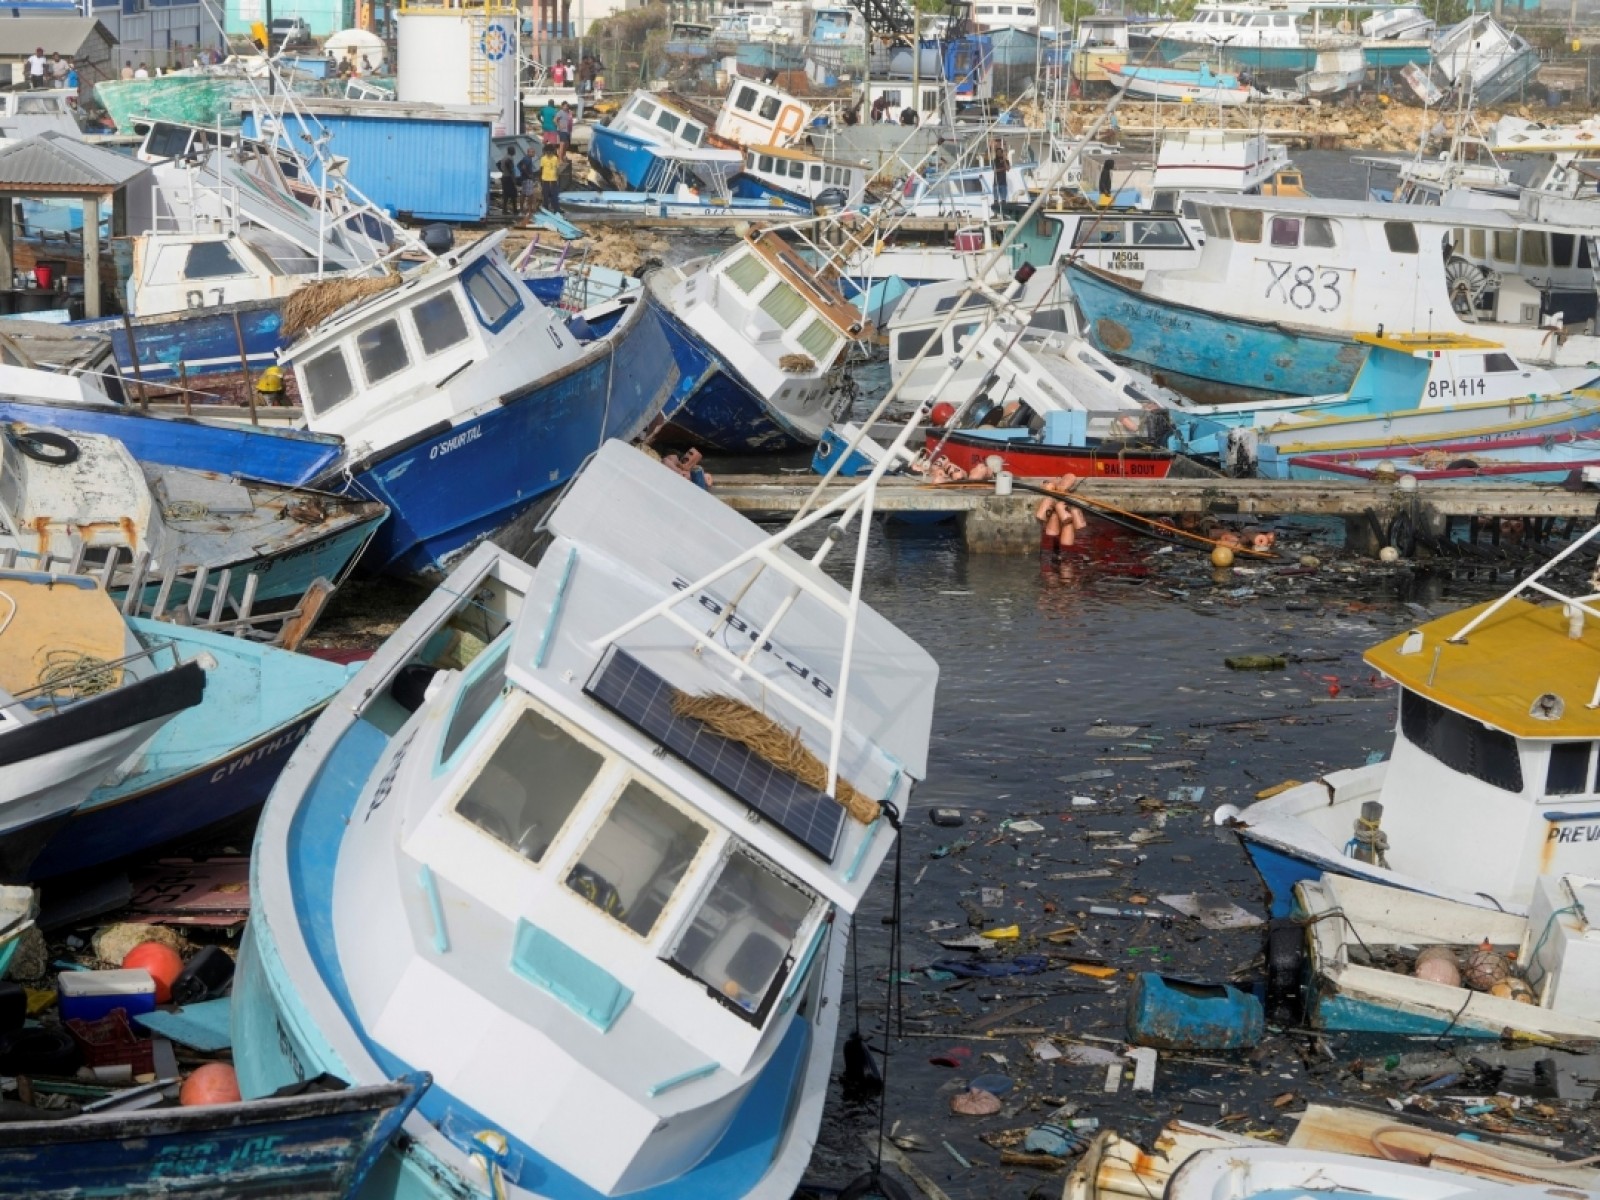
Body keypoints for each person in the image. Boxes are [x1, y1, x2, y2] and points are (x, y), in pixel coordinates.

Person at [539, 144, 561, 214]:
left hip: (553, 179)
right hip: (545, 179)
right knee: (545, 195)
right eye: (547, 152)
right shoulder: (543, 159)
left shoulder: (555, 158)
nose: (548, 153)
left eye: (550, 152)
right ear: (545, 152)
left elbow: (557, 169)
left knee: (554, 195)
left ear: (552, 152)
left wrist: (558, 178)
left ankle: (556, 209)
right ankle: (546, 209)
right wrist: (540, 179)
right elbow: (541, 169)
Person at [516, 147, 536, 218]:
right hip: (527, 179)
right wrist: (528, 175)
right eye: (532, 152)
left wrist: (522, 172)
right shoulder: (527, 159)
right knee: (529, 195)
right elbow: (524, 167)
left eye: (534, 152)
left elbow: (519, 165)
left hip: (524, 178)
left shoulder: (525, 158)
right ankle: (528, 210)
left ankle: (524, 210)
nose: (534, 153)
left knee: (524, 194)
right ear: (528, 152)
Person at [499, 145, 518, 216]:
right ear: (511, 151)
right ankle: (515, 210)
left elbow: (499, 164)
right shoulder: (509, 158)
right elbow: (509, 166)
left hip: (504, 177)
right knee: (513, 194)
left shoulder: (504, 157)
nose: (515, 151)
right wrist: (513, 177)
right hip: (509, 178)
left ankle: (505, 210)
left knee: (506, 194)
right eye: (514, 150)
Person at [992, 141, 1010, 206]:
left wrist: (1004, 160)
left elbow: (1007, 169)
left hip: (1003, 183)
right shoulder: (994, 161)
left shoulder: (1006, 161)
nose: (999, 154)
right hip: (996, 183)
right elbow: (995, 170)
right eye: (998, 153)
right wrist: (1003, 169)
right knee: (996, 200)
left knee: (1003, 200)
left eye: (1000, 152)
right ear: (996, 153)